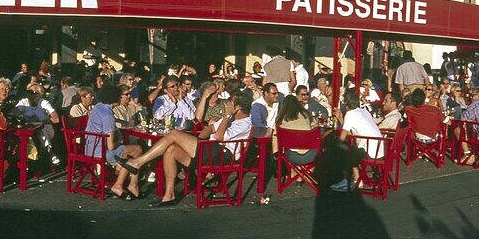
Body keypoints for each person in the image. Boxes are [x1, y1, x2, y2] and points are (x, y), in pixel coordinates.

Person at [116, 93, 253, 207]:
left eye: (231, 103)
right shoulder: (231, 119)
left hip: (221, 155)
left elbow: (219, 136)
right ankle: (169, 195)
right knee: (171, 149)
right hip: (209, 149)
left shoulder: (245, 123)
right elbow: (211, 128)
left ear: (238, 108)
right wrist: (199, 139)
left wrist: (225, 116)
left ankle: (138, 162)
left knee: (174, 133)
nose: (227, 105)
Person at [85, 85, 144, 200]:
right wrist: (120, 141)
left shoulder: (98, 107)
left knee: (128, 153)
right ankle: (128, 185)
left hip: (90, 147)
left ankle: (126, 185)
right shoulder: (108, 116)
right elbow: (111, 146)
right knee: (138, 150)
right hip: (101, 152)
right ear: (116, 98)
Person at [336, 92, 382, 191]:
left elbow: (342, 137)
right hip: (379, 148)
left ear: (346, 104)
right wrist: (341, 119)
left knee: (343, 150)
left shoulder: (350, 114)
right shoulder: (364, 112)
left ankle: (357, 180)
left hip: (368, 150)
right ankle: (357, 178)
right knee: (351, 149)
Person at [274, 94, 318, 165]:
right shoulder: (307, 115)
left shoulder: (281, 119)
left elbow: (276, 136)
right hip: (311, 154)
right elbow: (315, 127)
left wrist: (275, 152)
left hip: (291, 155)